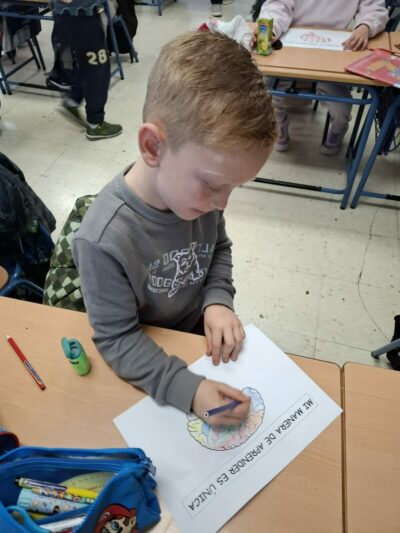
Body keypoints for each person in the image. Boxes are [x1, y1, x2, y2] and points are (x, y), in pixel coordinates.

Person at [72, 31, 276, 426]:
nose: (222, 203)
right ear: (153, 147)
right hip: (150, 353)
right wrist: (189, 390)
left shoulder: (197, 198)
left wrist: (217, 300)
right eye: (214, 184)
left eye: (234, 188)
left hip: (197, 333)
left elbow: (218, 247)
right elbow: (117, 339)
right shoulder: (103, 240)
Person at [259, 0, 389, 155]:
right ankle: (278, 125)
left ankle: (338, 129)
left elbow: (375, 8)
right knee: (265, 94)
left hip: (333, 49)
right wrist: (272, 29)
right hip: (291, 45)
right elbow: (277, 5)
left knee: (342, 108)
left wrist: (365, 26)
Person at [50, 0, 122, 141]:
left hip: (63, 13)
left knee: (85, 63)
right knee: (97, 69)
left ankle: (73, 100)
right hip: (84, 14)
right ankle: (95, 124)